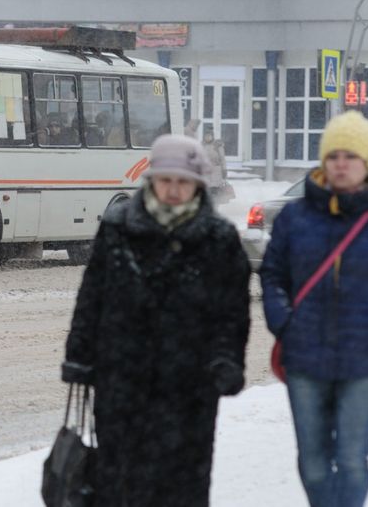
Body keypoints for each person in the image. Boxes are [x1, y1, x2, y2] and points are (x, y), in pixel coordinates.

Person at [61, 134, 250, 507]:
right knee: (119, 482)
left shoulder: (219, 238)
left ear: (197, 184)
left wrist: (227, 361)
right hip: (121, 381)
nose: (174, 190)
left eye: (183, 181)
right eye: (167, 180)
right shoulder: (119, 226)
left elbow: (232, 313)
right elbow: (92, 296)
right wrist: (79, 354)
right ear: (152, 180)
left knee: (180, 487)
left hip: (190, 387)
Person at [260, 111, 368, 507]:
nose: (341, 164)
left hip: (364, 363)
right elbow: (272, 276)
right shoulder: (294, 218)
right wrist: (285, 324)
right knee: (314, 465)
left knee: (351, 461)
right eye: (333, 156)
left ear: (366, 163)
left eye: (351, 156)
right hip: (305, 360)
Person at [202, 129, 233, 203]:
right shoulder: (201, 145)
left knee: (215, 190)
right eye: (206, 136)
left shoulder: (217, 145)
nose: (208, 137)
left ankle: (216, 205)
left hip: (216, 171)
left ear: (212, 136)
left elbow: (222, 159)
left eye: (209, 136)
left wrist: (224, 170)